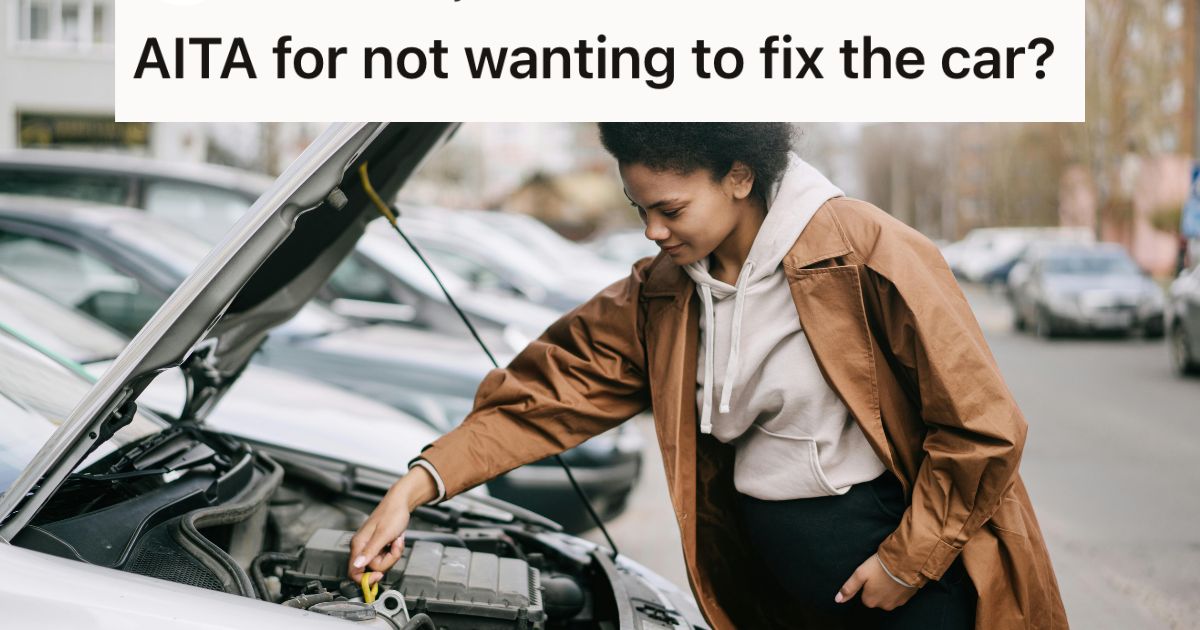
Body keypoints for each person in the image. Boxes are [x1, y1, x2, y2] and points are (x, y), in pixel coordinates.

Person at [348, 123, 1067, 629]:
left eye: (670, 209)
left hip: (910, 597)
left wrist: (907, 565)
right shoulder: (663, 292)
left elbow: (982, 426)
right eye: (640, 209)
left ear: (740, 176)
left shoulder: (866, 252)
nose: (652, 231)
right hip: (785, 602)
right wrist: (417, 483)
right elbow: (549, 391)